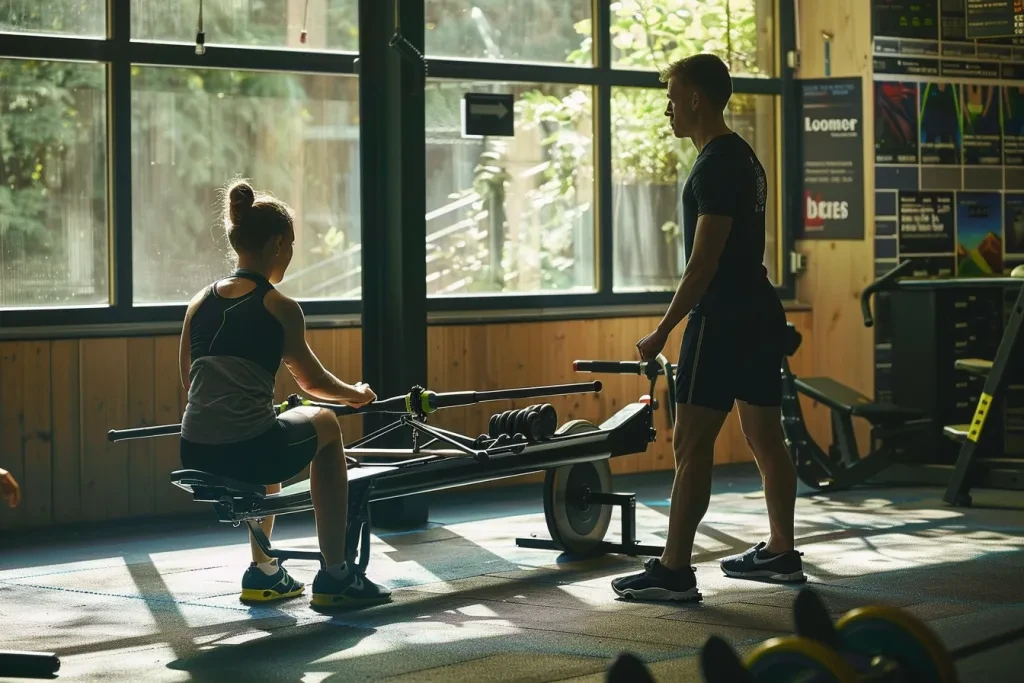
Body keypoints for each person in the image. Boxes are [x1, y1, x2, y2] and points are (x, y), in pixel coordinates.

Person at [611, 54, 804, 602]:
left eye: (673, 95)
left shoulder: (717, 165)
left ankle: (674, 570)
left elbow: (703, 264)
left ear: (697, 98)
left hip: (722, 319)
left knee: (691, 446)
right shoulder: (743, 157)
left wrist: (662, 330)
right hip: (759, 312)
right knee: (767, 437)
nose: (668, 106)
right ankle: (781, 552)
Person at [178, 179, 391, 610]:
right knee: (325, 424)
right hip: (249, 448)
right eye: (291, 243)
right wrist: (357, 395)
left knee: (270, 427)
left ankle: (265, 573)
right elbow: (313, 384)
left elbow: (191, 382)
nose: (291, 254)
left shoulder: (199, 303)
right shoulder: (279, 306)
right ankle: (336, 575)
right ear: (277, 244)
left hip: (194, 450)